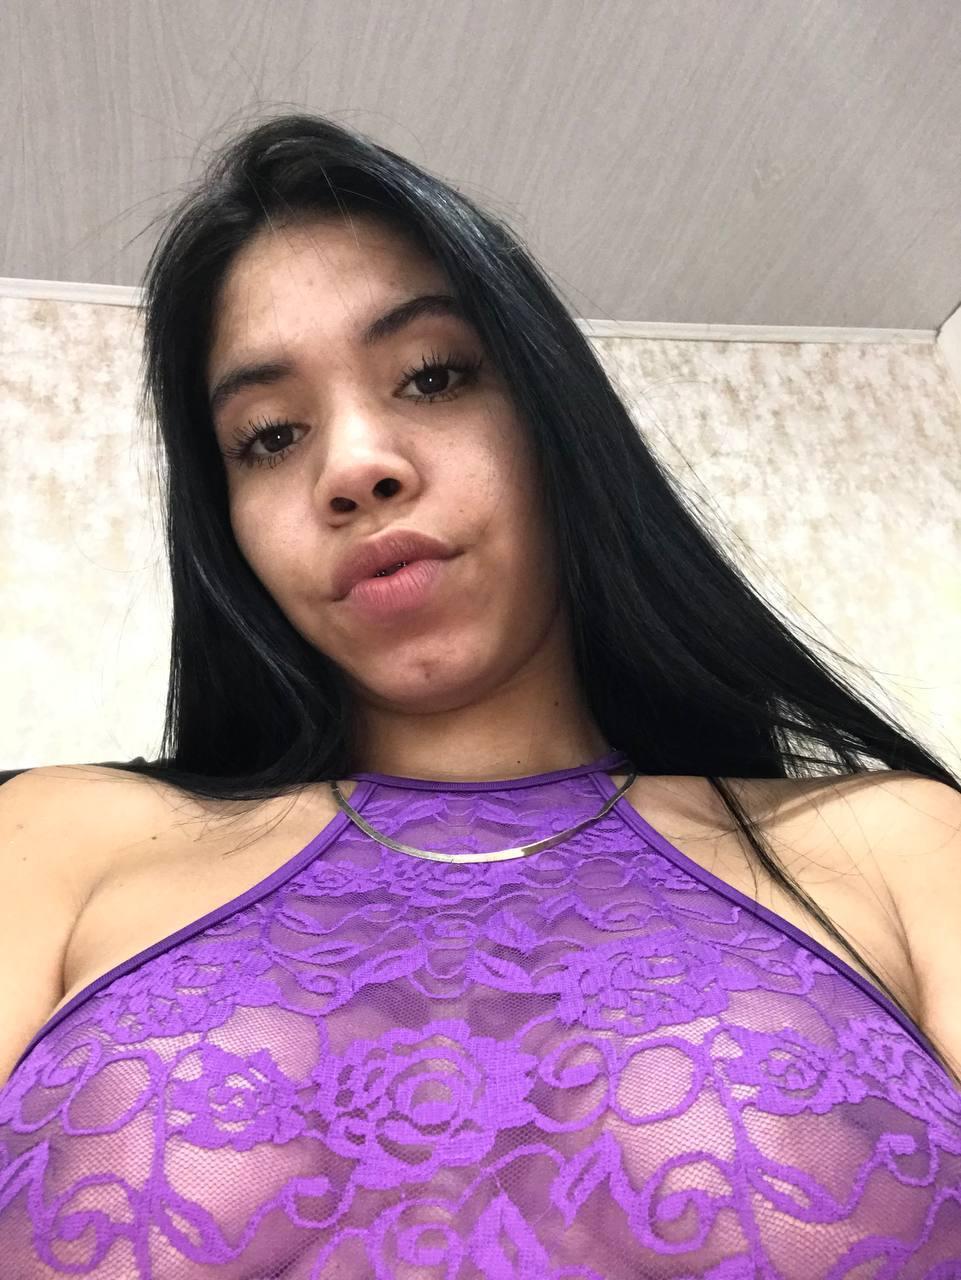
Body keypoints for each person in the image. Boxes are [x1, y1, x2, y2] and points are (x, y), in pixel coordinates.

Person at [1, 112, 960, 1277]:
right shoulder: (54, 839)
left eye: (434, 375)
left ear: (555, 422)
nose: (354, 465)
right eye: (269, 435)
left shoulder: (900, 844)